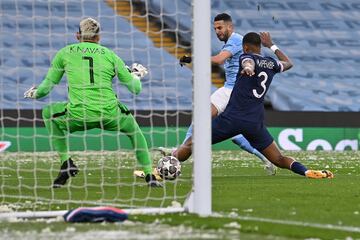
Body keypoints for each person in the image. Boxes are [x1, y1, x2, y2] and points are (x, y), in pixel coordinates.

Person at [172, 31, 334, 179]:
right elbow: (288, 63)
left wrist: (248, 68)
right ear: (260, 46)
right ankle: (306, 171)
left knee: (192, 143)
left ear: (246, 47)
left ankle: (163, 168)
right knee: (278, 158)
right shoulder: (271, 63)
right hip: (255, 122)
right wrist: (271, 45)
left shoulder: (246, 57)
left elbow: (248, 62)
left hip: (232, 118)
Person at [24, 17, 162, 188]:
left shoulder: (65, 53)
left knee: (48, 113)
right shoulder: (111, 56)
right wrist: (136, 75)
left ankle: (66, 162)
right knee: (135, 131)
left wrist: (33, 93)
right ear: (99, 37)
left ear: (77, 36)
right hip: (110, 114)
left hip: (78, 114)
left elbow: (44, 91)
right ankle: (149, 175)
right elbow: (135, 89)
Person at [176, 13, 276, 175]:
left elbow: (219, 60)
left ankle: (176, 157)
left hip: (231, 91)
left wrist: (191, 58)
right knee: (236, 135)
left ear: (230, 27)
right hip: (232, 91)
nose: (217, 31)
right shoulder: (233, 41)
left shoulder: (236, 40)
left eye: (220, 27)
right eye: (215, 28)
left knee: (201, 118)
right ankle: (267, 160)